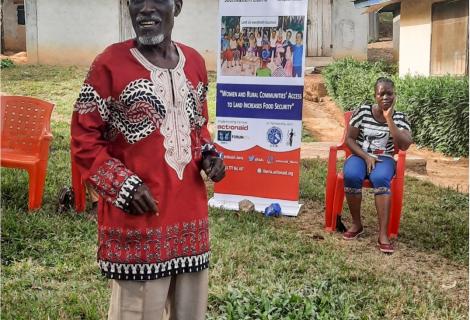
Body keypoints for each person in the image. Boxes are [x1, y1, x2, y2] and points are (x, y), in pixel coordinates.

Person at [71, 0, 225, 319]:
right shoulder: (109, 64)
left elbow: (198, 126)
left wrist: (209, 154)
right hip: (139, 224)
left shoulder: (194, 62)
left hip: (189, 222)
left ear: (177, 6)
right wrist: (122, 185)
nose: (145, 9)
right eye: (136, 1)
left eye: (157, 0)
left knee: (190, 313)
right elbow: (83, 139)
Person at [342, 77, 412, 254]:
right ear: (375, 96)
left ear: (395, 95)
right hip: (360, 155)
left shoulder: (401, 117)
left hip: (384, 158)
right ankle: (357, 224)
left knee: (380, 178)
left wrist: (389, 119)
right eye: (381, 94)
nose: (386, 97)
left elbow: (404, 145)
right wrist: (366, 157)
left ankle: (383, 235)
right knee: (351, 174)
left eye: (389, 93)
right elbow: (349, 139)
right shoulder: (364, 111)